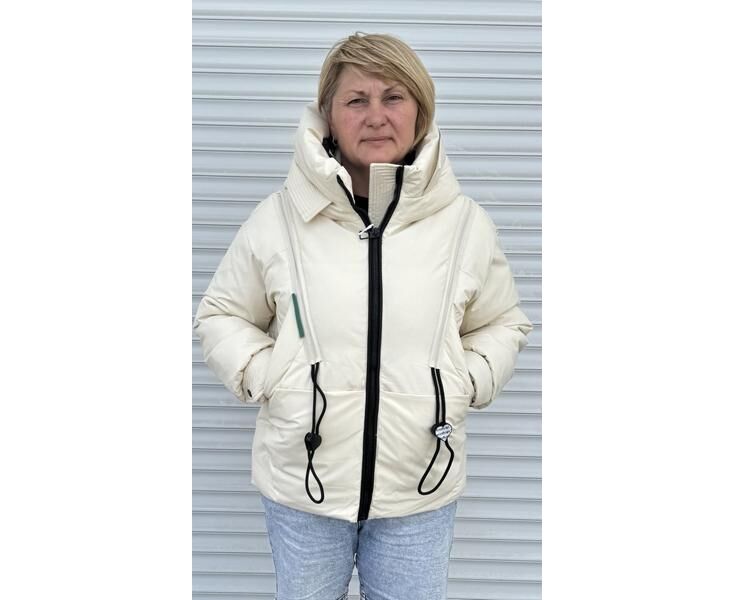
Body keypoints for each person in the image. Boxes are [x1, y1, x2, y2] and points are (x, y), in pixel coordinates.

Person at [194, 32, 532, 600]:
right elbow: (222, 314)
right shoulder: (279, 219)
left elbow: (502, 322)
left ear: (420, 112)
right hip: (304, 487)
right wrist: (273, 376)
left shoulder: (464, 225)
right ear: (329, 115)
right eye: (356, 100)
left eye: (393, 97)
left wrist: (463, 381)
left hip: (419, 488)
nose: (376, 115)